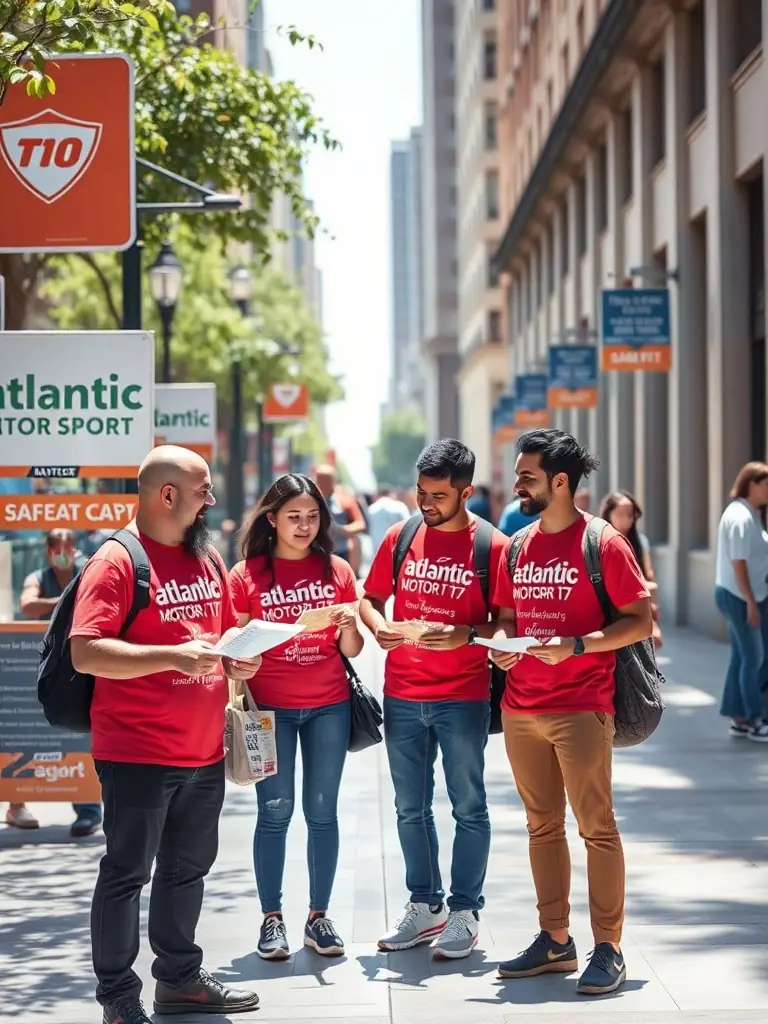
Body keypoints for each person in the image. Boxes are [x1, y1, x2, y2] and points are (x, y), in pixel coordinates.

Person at [69, 445, 261, 1024]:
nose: (211, 500)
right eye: (203, 491)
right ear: (168, 495)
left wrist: (238, 658)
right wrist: (173, 655)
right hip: (138, 752)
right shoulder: (116, 560)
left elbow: (220, 636)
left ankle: (178, 980)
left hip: (203, 751)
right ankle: (119, 999)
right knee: (127, 873)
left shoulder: (207, 559)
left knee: (187, 869)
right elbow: (86, 652)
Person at [490, 428, 652, 996]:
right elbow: (506, 616)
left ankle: (609, 947)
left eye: (526, 476)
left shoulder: (603, 542)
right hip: (520, 708)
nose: (518, 485)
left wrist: (577, 645)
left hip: (582, 705)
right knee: (541, 826)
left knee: (596, 828)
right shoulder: (517, 545)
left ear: (559, 482)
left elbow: (639, 621)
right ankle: (555, 939)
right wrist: (503, 643)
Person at [360, 439, 506, 960]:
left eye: (438, 495)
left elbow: (507, 622)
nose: (426, 503)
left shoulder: (492, 545)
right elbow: (370, 599)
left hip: (463, 697)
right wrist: (378, 626)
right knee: (409, 808)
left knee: (469, 806)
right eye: (421, 492)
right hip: (402, 693)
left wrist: (467, 634)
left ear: (465, 492)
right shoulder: (400, 536)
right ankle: (425, 905)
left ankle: (465, 911)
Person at [230, 474, 363, 961]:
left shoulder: (337, 570)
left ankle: (318, 917)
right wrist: (245, 651)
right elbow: (234, 644)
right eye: (294, 517)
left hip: (329, 705)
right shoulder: (245, 575)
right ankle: (272, 919)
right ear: (272, 519)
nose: (305, 526)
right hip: (268, 712)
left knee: (323, 812)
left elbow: (352, 649)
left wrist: (348, 625)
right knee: (274, 811)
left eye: (312, 517)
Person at [7, 529, 102, 837]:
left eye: (67, 548)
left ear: (74, 549)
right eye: (56, 549)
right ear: (48, 551)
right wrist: (64, 600)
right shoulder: (38, 577)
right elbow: (27, 604)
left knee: (79, 729)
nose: (63, 554)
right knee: (24, 732)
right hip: (43, 664)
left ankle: (88, 809)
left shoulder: (87, 569)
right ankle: (16, 802)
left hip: (77, 665)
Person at [714, 461, 768, 741]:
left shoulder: (752, 514)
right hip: (739, 596)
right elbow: (739, 563)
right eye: (766, 484)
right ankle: (756, 720)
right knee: (752, 657)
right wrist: (750, 602)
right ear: (751, 484)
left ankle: (738, 716)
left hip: (750, 594)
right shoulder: (740, 517)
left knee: (741, 657)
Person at [600, 491, 663, 647]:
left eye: (630, 514)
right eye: (621, 514)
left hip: (634, 611)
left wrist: (654, 624)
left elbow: (648, 577)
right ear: (608, 514)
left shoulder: (639, 541)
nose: (626, 519)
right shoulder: (597, 541)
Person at [314, 465, 366, 575]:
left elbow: (360, 524)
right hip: (317, 552)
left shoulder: (344, 500)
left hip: (340, 552)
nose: (323, 484)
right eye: (321, 480)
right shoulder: (311, 501)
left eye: (327, 480)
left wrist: (339, 529)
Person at [367, 484, 410, 550]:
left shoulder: (371, 509)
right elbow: (409, 526)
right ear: (392, 494)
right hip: (398, 547)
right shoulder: (399, 506)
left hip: (378, 548)